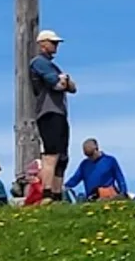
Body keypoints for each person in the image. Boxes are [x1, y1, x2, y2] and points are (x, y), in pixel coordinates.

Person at [27, 29, 78, 203]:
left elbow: (72, 87)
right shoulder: (39, 63)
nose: (56, 46)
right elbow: (57, 84)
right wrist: (63, 80)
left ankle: (56, 194)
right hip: (48, 112)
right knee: (51, 153)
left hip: (59, 112)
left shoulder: (52, 66)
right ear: (43, 44)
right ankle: (47, 192)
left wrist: (65, 80)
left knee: (62, 155)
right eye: (53, 42)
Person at [63, 138, 129, 201]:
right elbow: (75, 179)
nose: (90, 157)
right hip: (92, 197)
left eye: (91, 154)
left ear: (96, 149)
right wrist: (64, 186)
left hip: (108, 195)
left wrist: (123, 192)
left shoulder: (110, 160)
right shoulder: (84, 164)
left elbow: (120, 178)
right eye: (87, 155)